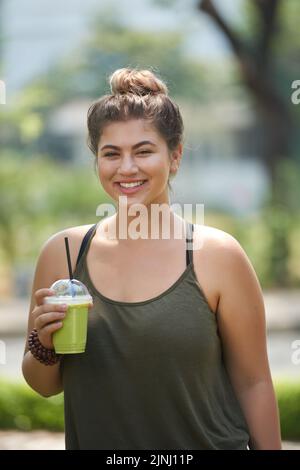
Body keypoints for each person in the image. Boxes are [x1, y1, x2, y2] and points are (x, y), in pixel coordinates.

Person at [22, 67, 281, 450]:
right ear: (98, 163)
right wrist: (43, 343)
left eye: (143, 151)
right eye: (112, 154)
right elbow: (44, 385)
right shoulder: (63, 254)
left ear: (174, 157)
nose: (127, 168)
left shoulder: (217, 256)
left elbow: (253, 381)